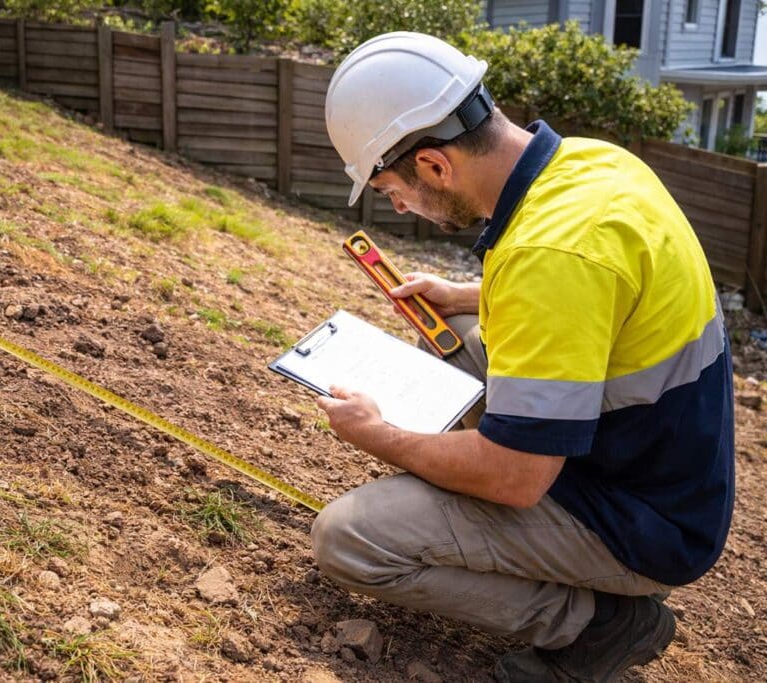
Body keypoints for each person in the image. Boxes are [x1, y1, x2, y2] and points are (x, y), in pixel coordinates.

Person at [312, 32, 735, 682]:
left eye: (390, 188)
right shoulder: (591, 166)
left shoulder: (550, 254)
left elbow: (517, 477)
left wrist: (383, 437)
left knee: (348, 539)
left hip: (641, 521)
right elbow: (598, 289)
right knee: (450, 334)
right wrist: (466, 294)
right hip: (663, 474)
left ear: (433, 165)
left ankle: (599, 624)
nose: (396, 204)